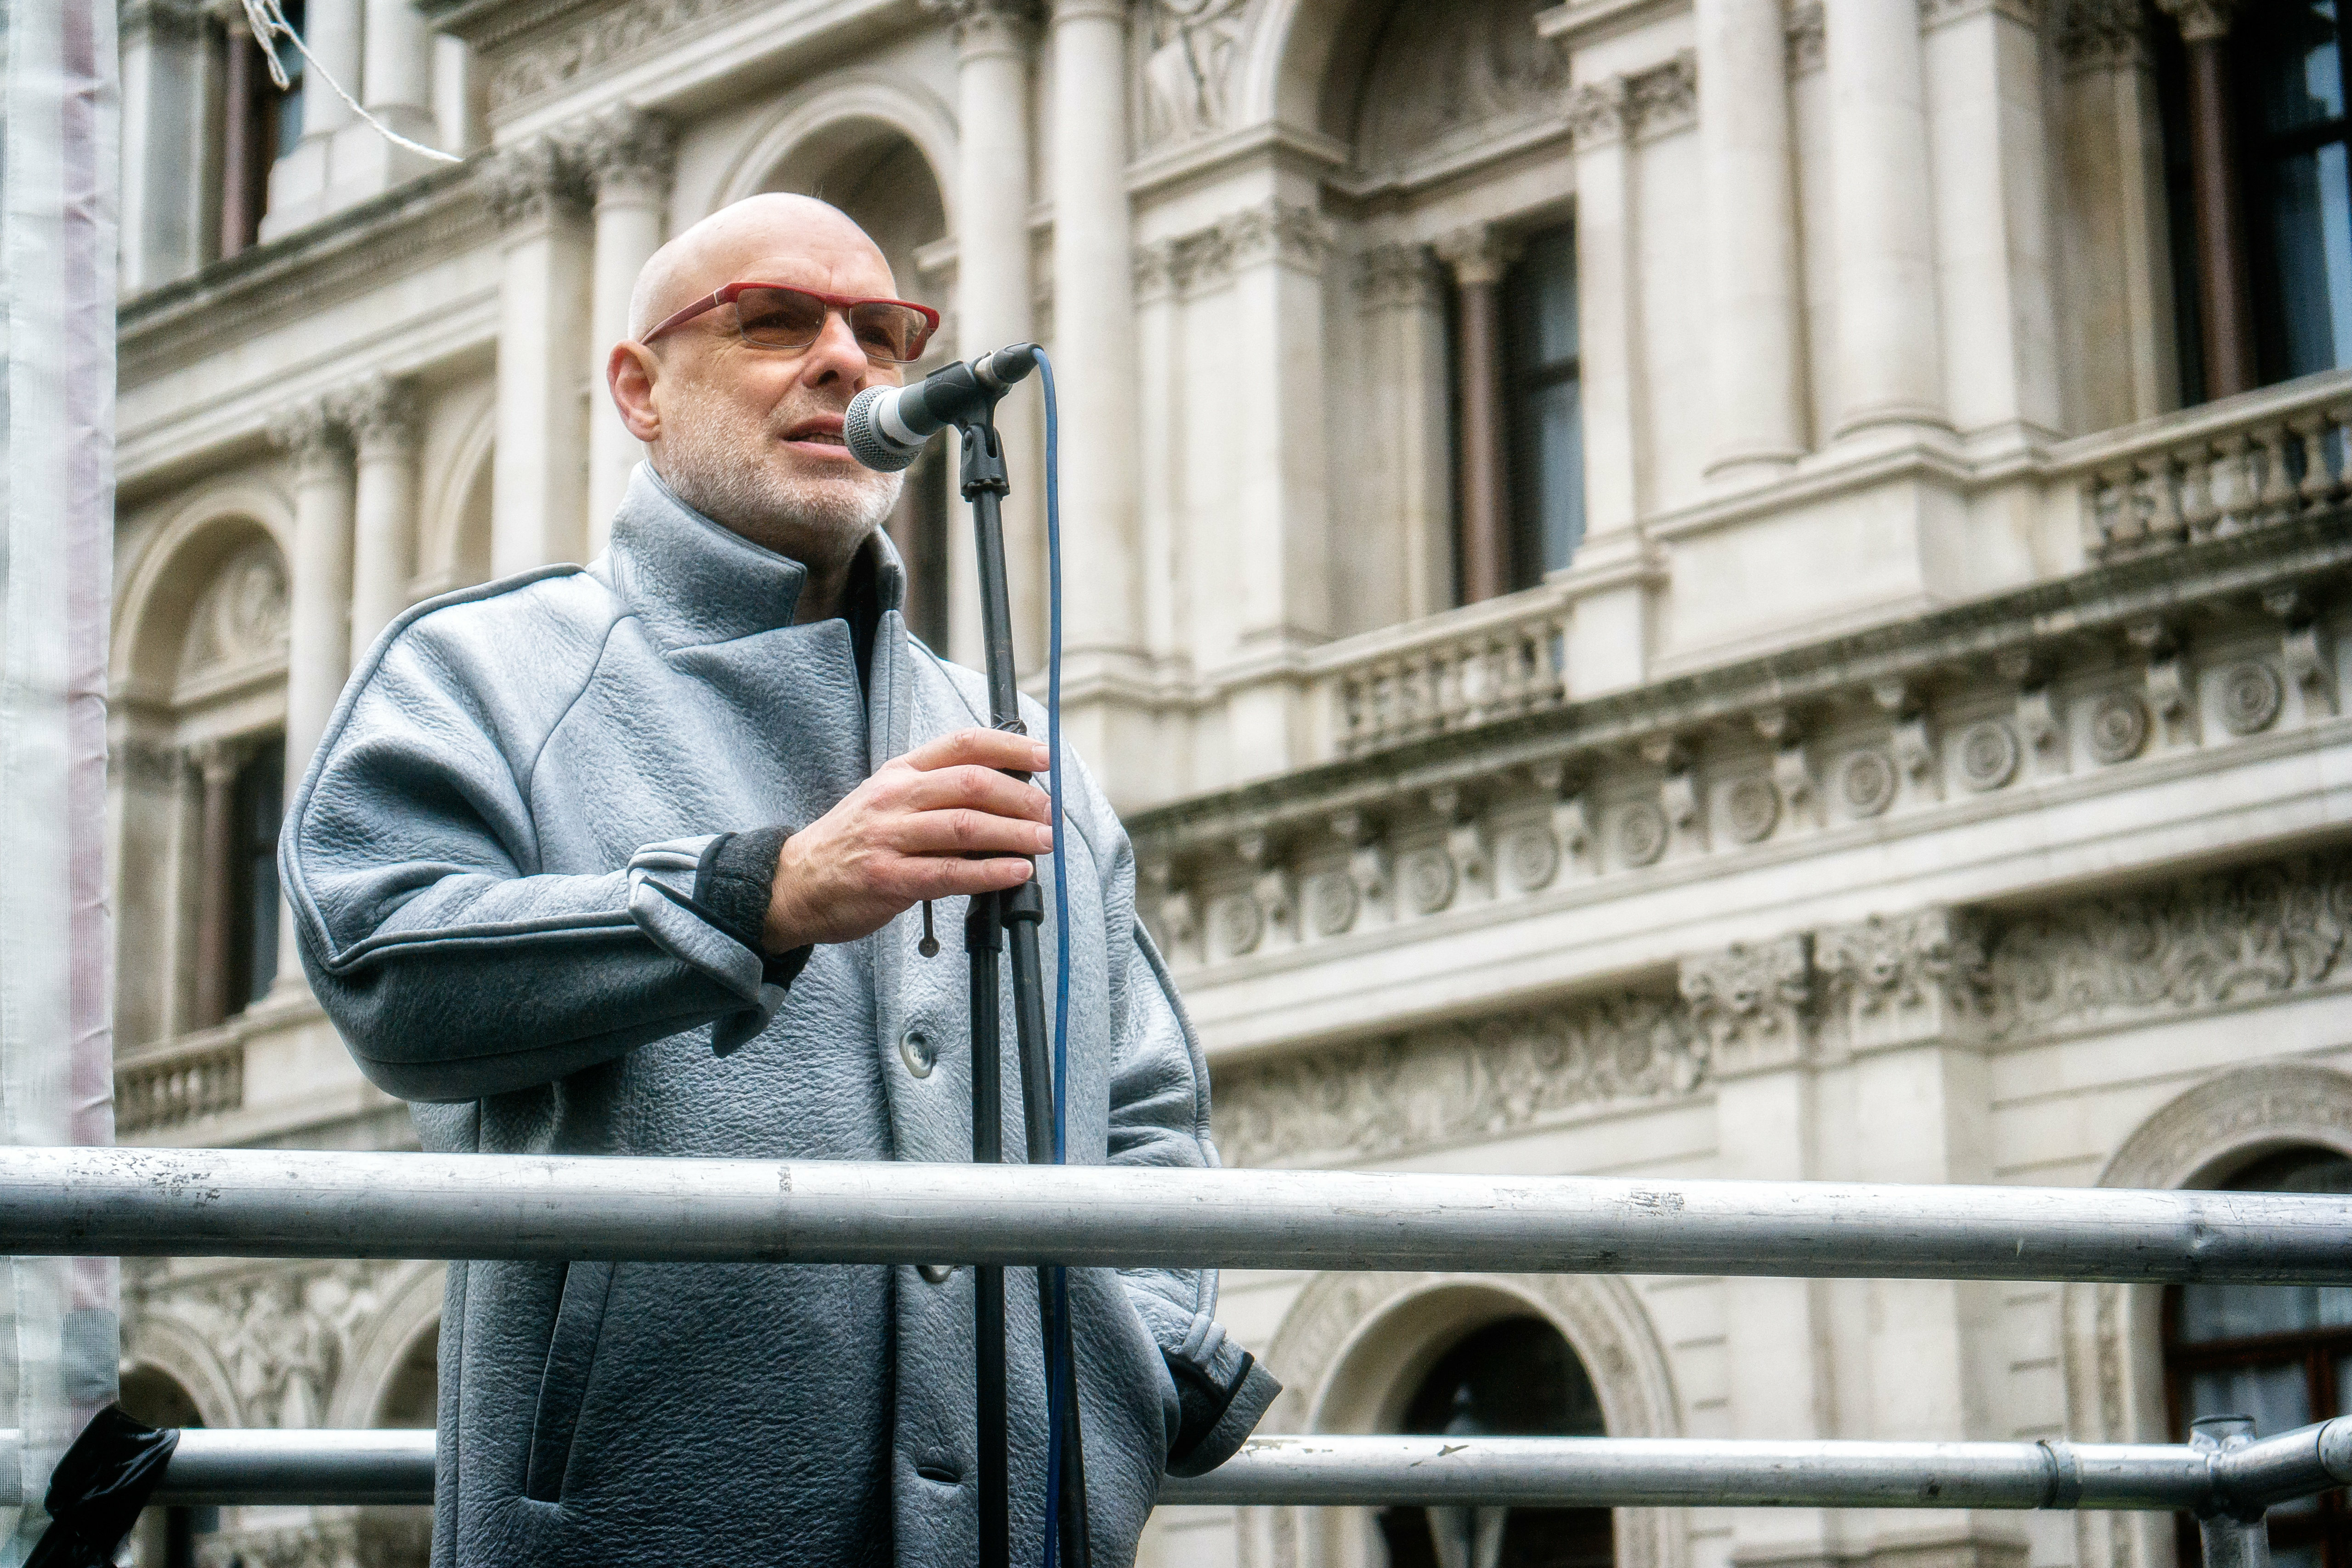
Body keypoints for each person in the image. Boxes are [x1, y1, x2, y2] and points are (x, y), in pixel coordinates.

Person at [281, 192, 1276, 1568]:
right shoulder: (480, 671)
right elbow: (381, 966)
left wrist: (1138, 1376)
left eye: (883, 331)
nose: (846, 360)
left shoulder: (1022, 743)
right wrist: (765, 894)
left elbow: (1149, 1111)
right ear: (640, 390)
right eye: (773, 322)